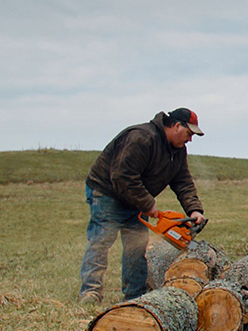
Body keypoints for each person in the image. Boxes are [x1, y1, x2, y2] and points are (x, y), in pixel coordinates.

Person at [78, 108, 207, 304]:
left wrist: (194, 209)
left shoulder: (177, 151)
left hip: (135, 198)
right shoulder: (142, 138)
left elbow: (182, 181)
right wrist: (147, 204)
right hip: (108, 192)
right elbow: (122, 176)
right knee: (101, 240)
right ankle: (91, 292)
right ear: (177, 126)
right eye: (189, 133)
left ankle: (135, 296)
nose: (190, 139)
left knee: (136, 248)